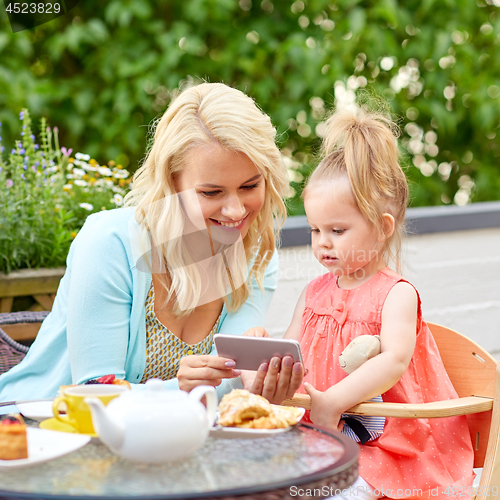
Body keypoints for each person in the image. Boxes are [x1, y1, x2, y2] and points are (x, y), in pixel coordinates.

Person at [0, 82, 304, 403]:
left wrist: (257, 381)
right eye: (212, 192)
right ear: (172, 182)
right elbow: (95, 394)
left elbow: (232, 378)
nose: (235, 210)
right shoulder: (110, 244)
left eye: (249, 185)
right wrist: (183, 389)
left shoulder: (255, 254)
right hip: (37, 429)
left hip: (167, 440)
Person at [251, 106, 475, 498]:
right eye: (316, 229)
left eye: (338, 230)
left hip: (387, 447)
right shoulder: (313, 293)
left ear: (383, 228)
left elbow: (394, 361)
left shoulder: (395, 294)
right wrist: (264, 354)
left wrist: (335, 401)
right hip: (319, 438)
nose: (322, 241)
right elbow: (295, 354)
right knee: (263, 484)